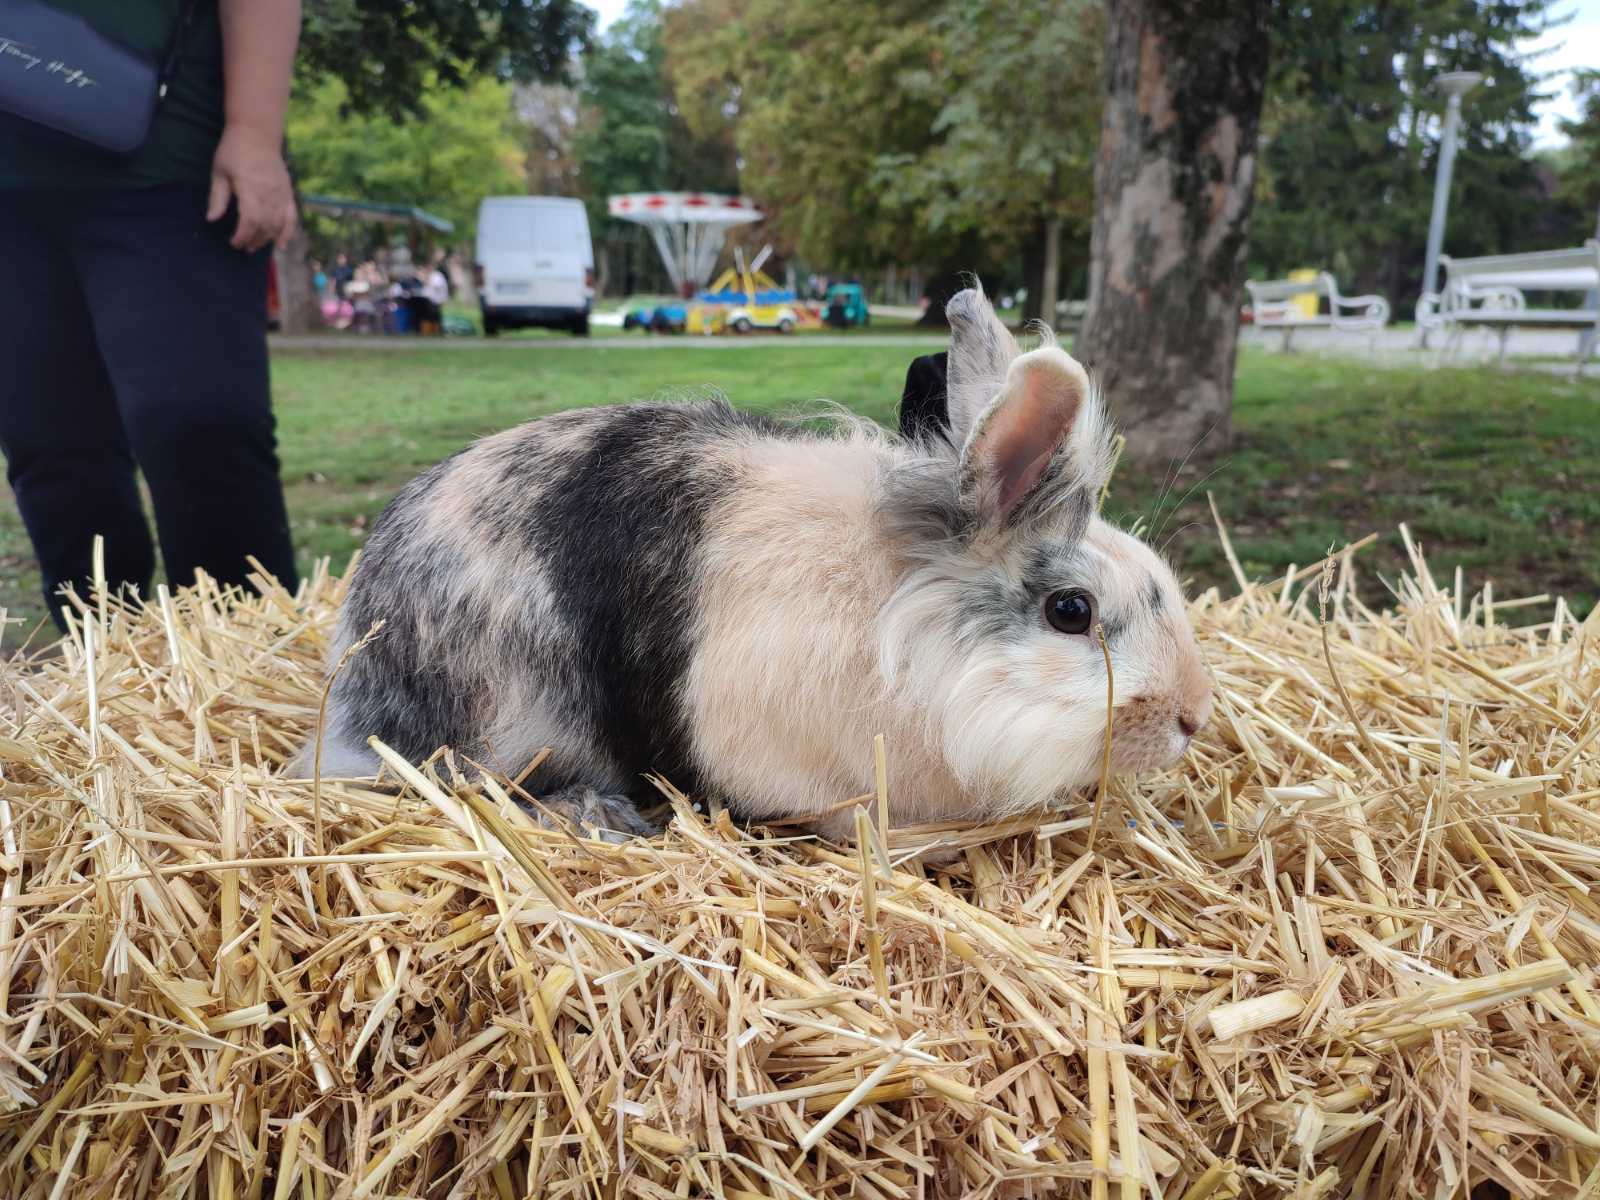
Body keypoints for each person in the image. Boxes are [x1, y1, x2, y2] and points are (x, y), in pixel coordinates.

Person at [0, 0, 303, 632]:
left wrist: (254, 132)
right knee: (50, 444)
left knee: (200, 424)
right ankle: (109, 679)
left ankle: (254, 674)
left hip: (170, 160)